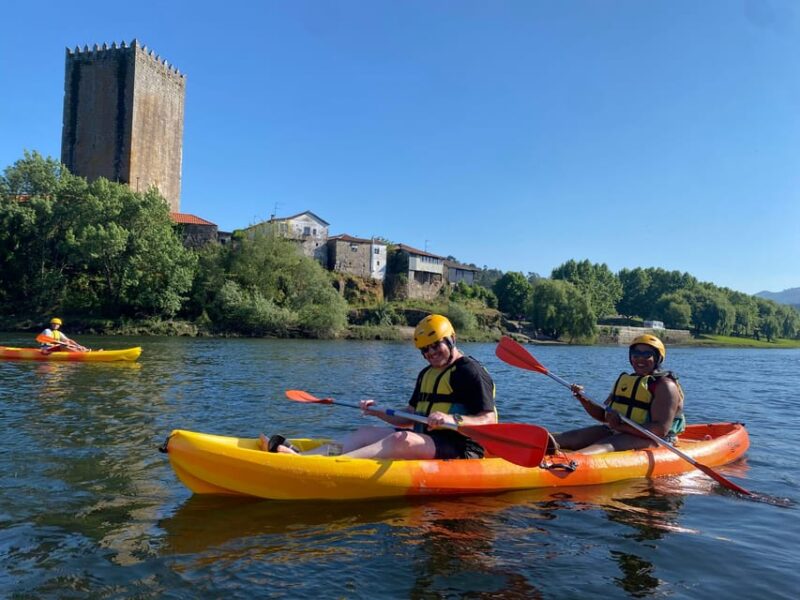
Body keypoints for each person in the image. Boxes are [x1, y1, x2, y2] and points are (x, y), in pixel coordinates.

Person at [260, 314, 497, 459]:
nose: (431, 353)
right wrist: (377, 410)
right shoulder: (427, 374)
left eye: (435, 346)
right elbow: (411, 416)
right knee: (365, 432)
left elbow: (488, 421)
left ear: (451, 339)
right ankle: (302, 458)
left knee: (401, 440)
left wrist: (451, 420)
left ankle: (334, 466)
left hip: (462, 448)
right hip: (427, 438)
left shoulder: (470, 371)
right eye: (425, 349)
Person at [552, 335, 685, 455]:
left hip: (656, 439)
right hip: (621, 430)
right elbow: (603, 415)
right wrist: (583, 399)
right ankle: (543, 446)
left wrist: (619, 426)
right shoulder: (626, 382)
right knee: (574, 437)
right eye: (636, 354)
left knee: (608, 445)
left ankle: (568, 460)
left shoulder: (665, 386)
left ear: (657, 358)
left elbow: (659, 430)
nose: (640, 359)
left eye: (646, 355)